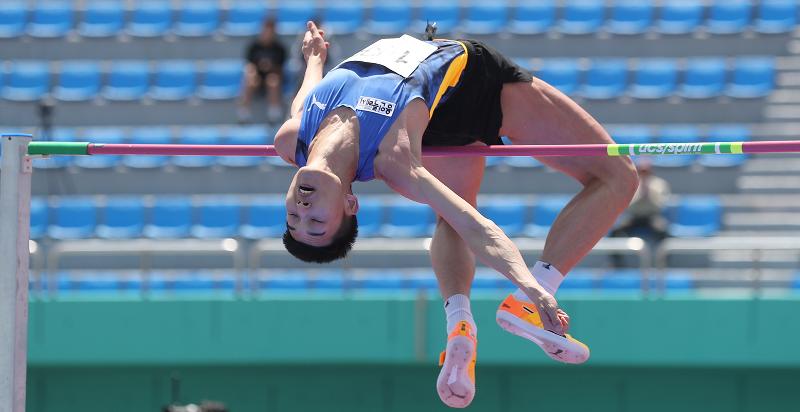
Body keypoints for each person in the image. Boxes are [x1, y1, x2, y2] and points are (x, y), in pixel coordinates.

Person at [274, 22, 639, 408]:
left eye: (294, 220)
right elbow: (475, 226)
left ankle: (460, 325)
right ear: (350, 203)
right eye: (316, 222)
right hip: (473, 88)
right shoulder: (395, 160)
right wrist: (534, 287)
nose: (303, 212)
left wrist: (314, 58)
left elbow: (305, 99)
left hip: (433, 116)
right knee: (619, 175)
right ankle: (530, 298)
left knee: (452, 210)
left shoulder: (292, 138)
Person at [611, 160, 671, 267]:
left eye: (646, 171)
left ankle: (663, 262)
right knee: (616, 231)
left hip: (651, 216)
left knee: (664, 231)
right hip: (634, 216)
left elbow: (661, 205)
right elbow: (627, 205)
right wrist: (640, 196)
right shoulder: (631, 184)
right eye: (641, 171)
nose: (643, 173)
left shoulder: (659, 184)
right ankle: (617, 263)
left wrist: (649, 196)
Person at [238, 18, 287, 124]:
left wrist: (270, 67)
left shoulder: (279, 48)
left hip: (272, 78)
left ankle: (274, 114)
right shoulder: (254, 47)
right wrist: (255, 69)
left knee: (272, 80)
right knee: (249, 78)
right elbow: (249, 64)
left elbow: (281, 68)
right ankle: (243, 113)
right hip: (257, 78)